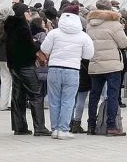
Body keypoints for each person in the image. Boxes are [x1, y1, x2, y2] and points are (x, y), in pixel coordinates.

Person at [40, 9, 94, 139]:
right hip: (72, 69)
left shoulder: (54, 33)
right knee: (68, 101)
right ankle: (63, 129)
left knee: (54, 100)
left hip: (54, 68)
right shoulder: (83, 36)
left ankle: (55, 129)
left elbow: (44, 49)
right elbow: (89, 55)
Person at [3, 3, 50, 136]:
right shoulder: (22, 26)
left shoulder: (9, 25)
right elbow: (28, 46)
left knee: (18, 96)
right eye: (28, 11)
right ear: (23, 13)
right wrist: (38, 45)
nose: (30, 13)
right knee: (36, 95)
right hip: (25, 65)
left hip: (13, 65)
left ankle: (20, 126)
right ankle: (40, 127)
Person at [86, 0, 127, 136]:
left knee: (94, 95)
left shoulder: (90, 24)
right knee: (112, 95)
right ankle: (111, 126)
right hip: (112, 65)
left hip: (95, 63)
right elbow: (124, 43)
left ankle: (91, 125)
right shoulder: (114, 24)